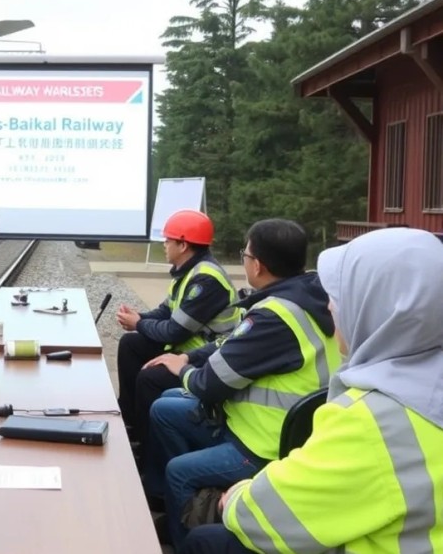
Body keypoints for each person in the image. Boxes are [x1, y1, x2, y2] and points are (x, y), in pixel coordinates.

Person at [181, 227, 443, 553]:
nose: (330, 308)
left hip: (262, 448)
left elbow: (270, 517)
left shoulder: (373, 419)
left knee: (202, 538)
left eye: (341, 297)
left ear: (378, 309)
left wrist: (232, 499)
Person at [142, 219, 341, 550]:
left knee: (178, 470)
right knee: (165, 407)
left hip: (263, 443)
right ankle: (193, 505)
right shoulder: (304, 299)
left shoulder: (273, 316)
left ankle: (185, 541)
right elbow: (230, 346)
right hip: (277, 426)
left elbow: (208, 386)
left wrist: (181, 369)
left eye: (245, 254)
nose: (244, 260)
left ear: (258, 265)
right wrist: (190, 360)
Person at [115, 209, 240, 449]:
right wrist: (138, 317)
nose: (164, 244)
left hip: (206, 357)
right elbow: (165, 311)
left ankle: (147, 442)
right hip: (185, 347)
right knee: (130, 344)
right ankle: (129, 420)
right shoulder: (187, 271)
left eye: (168, 239)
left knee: (150, 378)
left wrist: (139, 323)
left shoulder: (206, 280)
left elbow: (174, 331)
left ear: (183, 245)